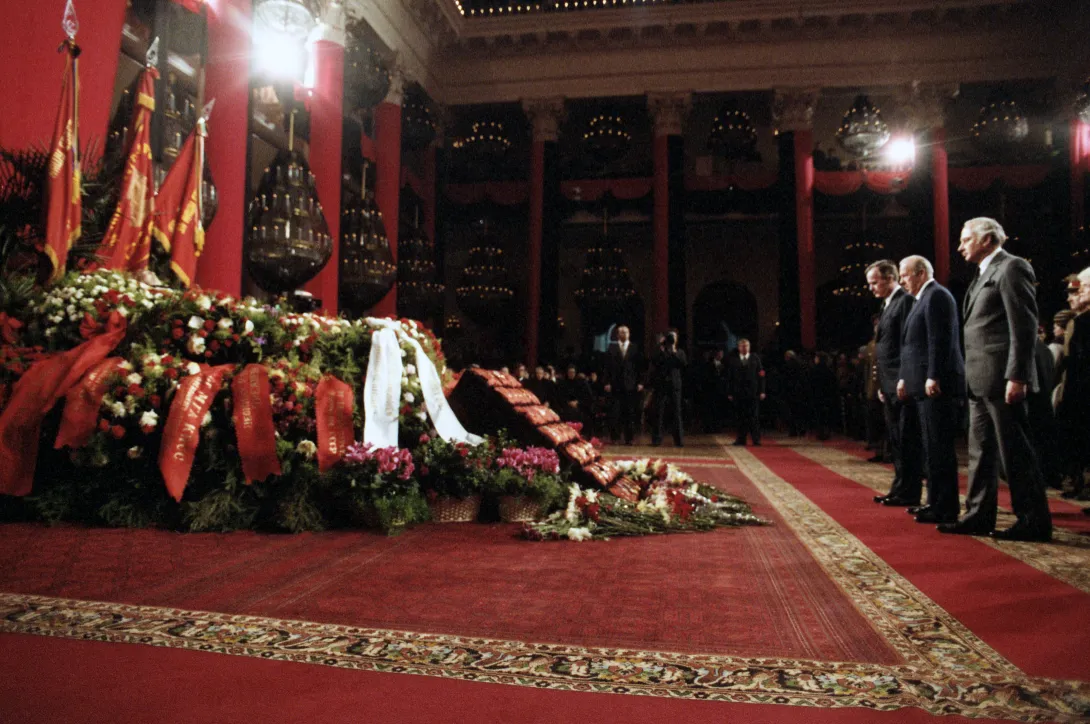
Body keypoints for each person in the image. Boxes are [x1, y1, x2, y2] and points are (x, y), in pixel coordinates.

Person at [938, 218, 1051, 541]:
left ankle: (1033, 520)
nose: (960, 247)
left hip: (1003, 379)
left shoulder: (1011, 267)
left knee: (1015, 452)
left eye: (965, 240)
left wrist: (1018, 375)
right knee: (981, 452)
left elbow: (1024, 327)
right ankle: (977, 514)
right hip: (979, 379)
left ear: (987, 239)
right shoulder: (981, 274)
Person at [897, 255, 965, 525]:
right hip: (923, 385)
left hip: (936, 385)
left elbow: (940, 339)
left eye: (904, 275)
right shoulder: (922, 299)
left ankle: (945, 507)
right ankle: (934, 502)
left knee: (939, 449)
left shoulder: (936, 296)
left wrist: (933, 375)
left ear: (920, 272)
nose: (902, 281)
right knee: (930, 449)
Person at [865, 260, 922, 507]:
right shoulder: (887, 304)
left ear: (890, 278)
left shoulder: (905, 302)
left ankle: (909, 492)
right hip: (888, 385)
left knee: (907, 439)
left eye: (874, 282)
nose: (871, 288)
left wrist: (903, 379)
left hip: (901, 384)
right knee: (896, 439)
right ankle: (900, 488)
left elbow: (909, 345)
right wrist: (881, 385)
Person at [603, 325, 643, 445]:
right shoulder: (612, 347)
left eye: (625, 332)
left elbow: (639, 367)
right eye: (621, 332)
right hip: (615, 385)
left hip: (630, 385)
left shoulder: (634, 348)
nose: (623, 334)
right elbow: (606, 367)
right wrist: (606, 382)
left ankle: (629, 438)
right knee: (615, 413)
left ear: (629, 334)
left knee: (629, 413)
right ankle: (615, 437)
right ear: (617, 334)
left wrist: (640, 382)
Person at [651, 331, 687, 446]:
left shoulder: (680, 352)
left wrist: (674, 351)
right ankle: (656, 440)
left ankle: (679, 440)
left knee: (677, 412)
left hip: (675, 385)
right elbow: (654, 362)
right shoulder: (660, 351)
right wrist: (660, 348)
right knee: (658, 412)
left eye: (674, 337)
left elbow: (683, 364)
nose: (672, 340)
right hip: (661, 385)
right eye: (670, 338)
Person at [727, 338, 765, 446]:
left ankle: (756, 439)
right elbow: (730, 377)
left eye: (747, 346)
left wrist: (762, 390)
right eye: (742, 346)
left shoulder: (755, 358)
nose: (745, 348)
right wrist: (730, 392)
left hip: (753, 393)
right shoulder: (733, 360)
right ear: (739, 348)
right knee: (740, 417)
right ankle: (741, 439)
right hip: (739, 393)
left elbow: (761, 375)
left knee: (754, 417)